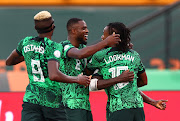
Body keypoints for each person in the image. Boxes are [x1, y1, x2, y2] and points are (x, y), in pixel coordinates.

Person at [6, 11, 91, 121]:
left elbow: (9, 61)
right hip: (52, 102)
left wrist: (31, 55)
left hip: (31, 100)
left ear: (36, 28)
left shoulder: (26, 42)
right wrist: (77, 79)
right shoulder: (53, 46)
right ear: (53, 27)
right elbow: (54, 75)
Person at [58, 18, 135, 121]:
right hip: (68, 104)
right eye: (83, 28)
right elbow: (80, 54)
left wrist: (120, 49)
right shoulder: (64, 46)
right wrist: (106, 42)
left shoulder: (84, 49)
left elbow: (98, 57)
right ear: (74, 31)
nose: (87, 31)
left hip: (84, 105)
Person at [87, 22, 168, 121]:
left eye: (104, 34)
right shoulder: (134, 55)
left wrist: (118, 81)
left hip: (118, 108)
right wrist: (152, 102)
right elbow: (143, 81)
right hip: (137, 108)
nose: (102, 37)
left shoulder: (100, 56)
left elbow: (91, 83)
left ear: (113, 36)